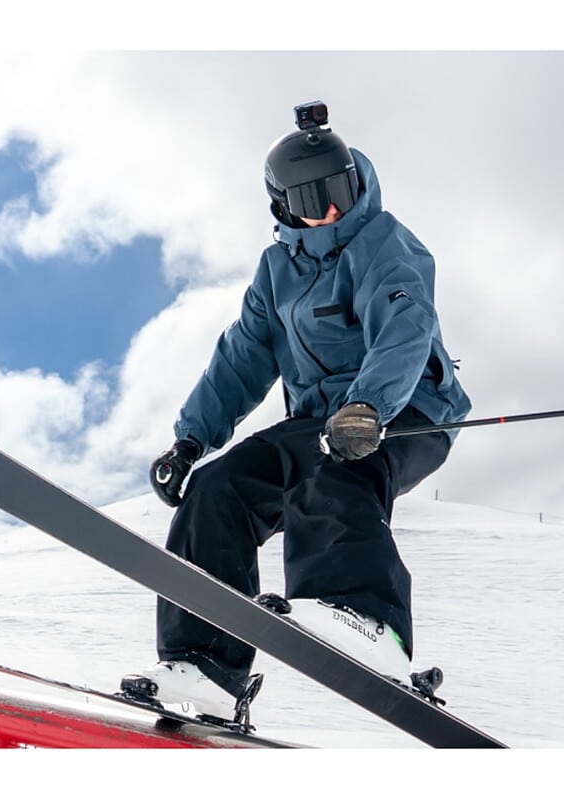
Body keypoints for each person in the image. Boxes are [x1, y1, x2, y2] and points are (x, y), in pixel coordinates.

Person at [121, 101, 472, 722]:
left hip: (406, 406)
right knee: (218, 490)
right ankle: (205, 664)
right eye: (312, 199)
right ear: (283, 205)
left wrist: (368, 406)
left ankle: (366, 617)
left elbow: (405, 325)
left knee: (334, 469)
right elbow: (242, 357)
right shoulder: (276, 270)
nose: (330, 210)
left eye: (338, 191)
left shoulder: (383, 243)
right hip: (319, 421)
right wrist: (190, 441)